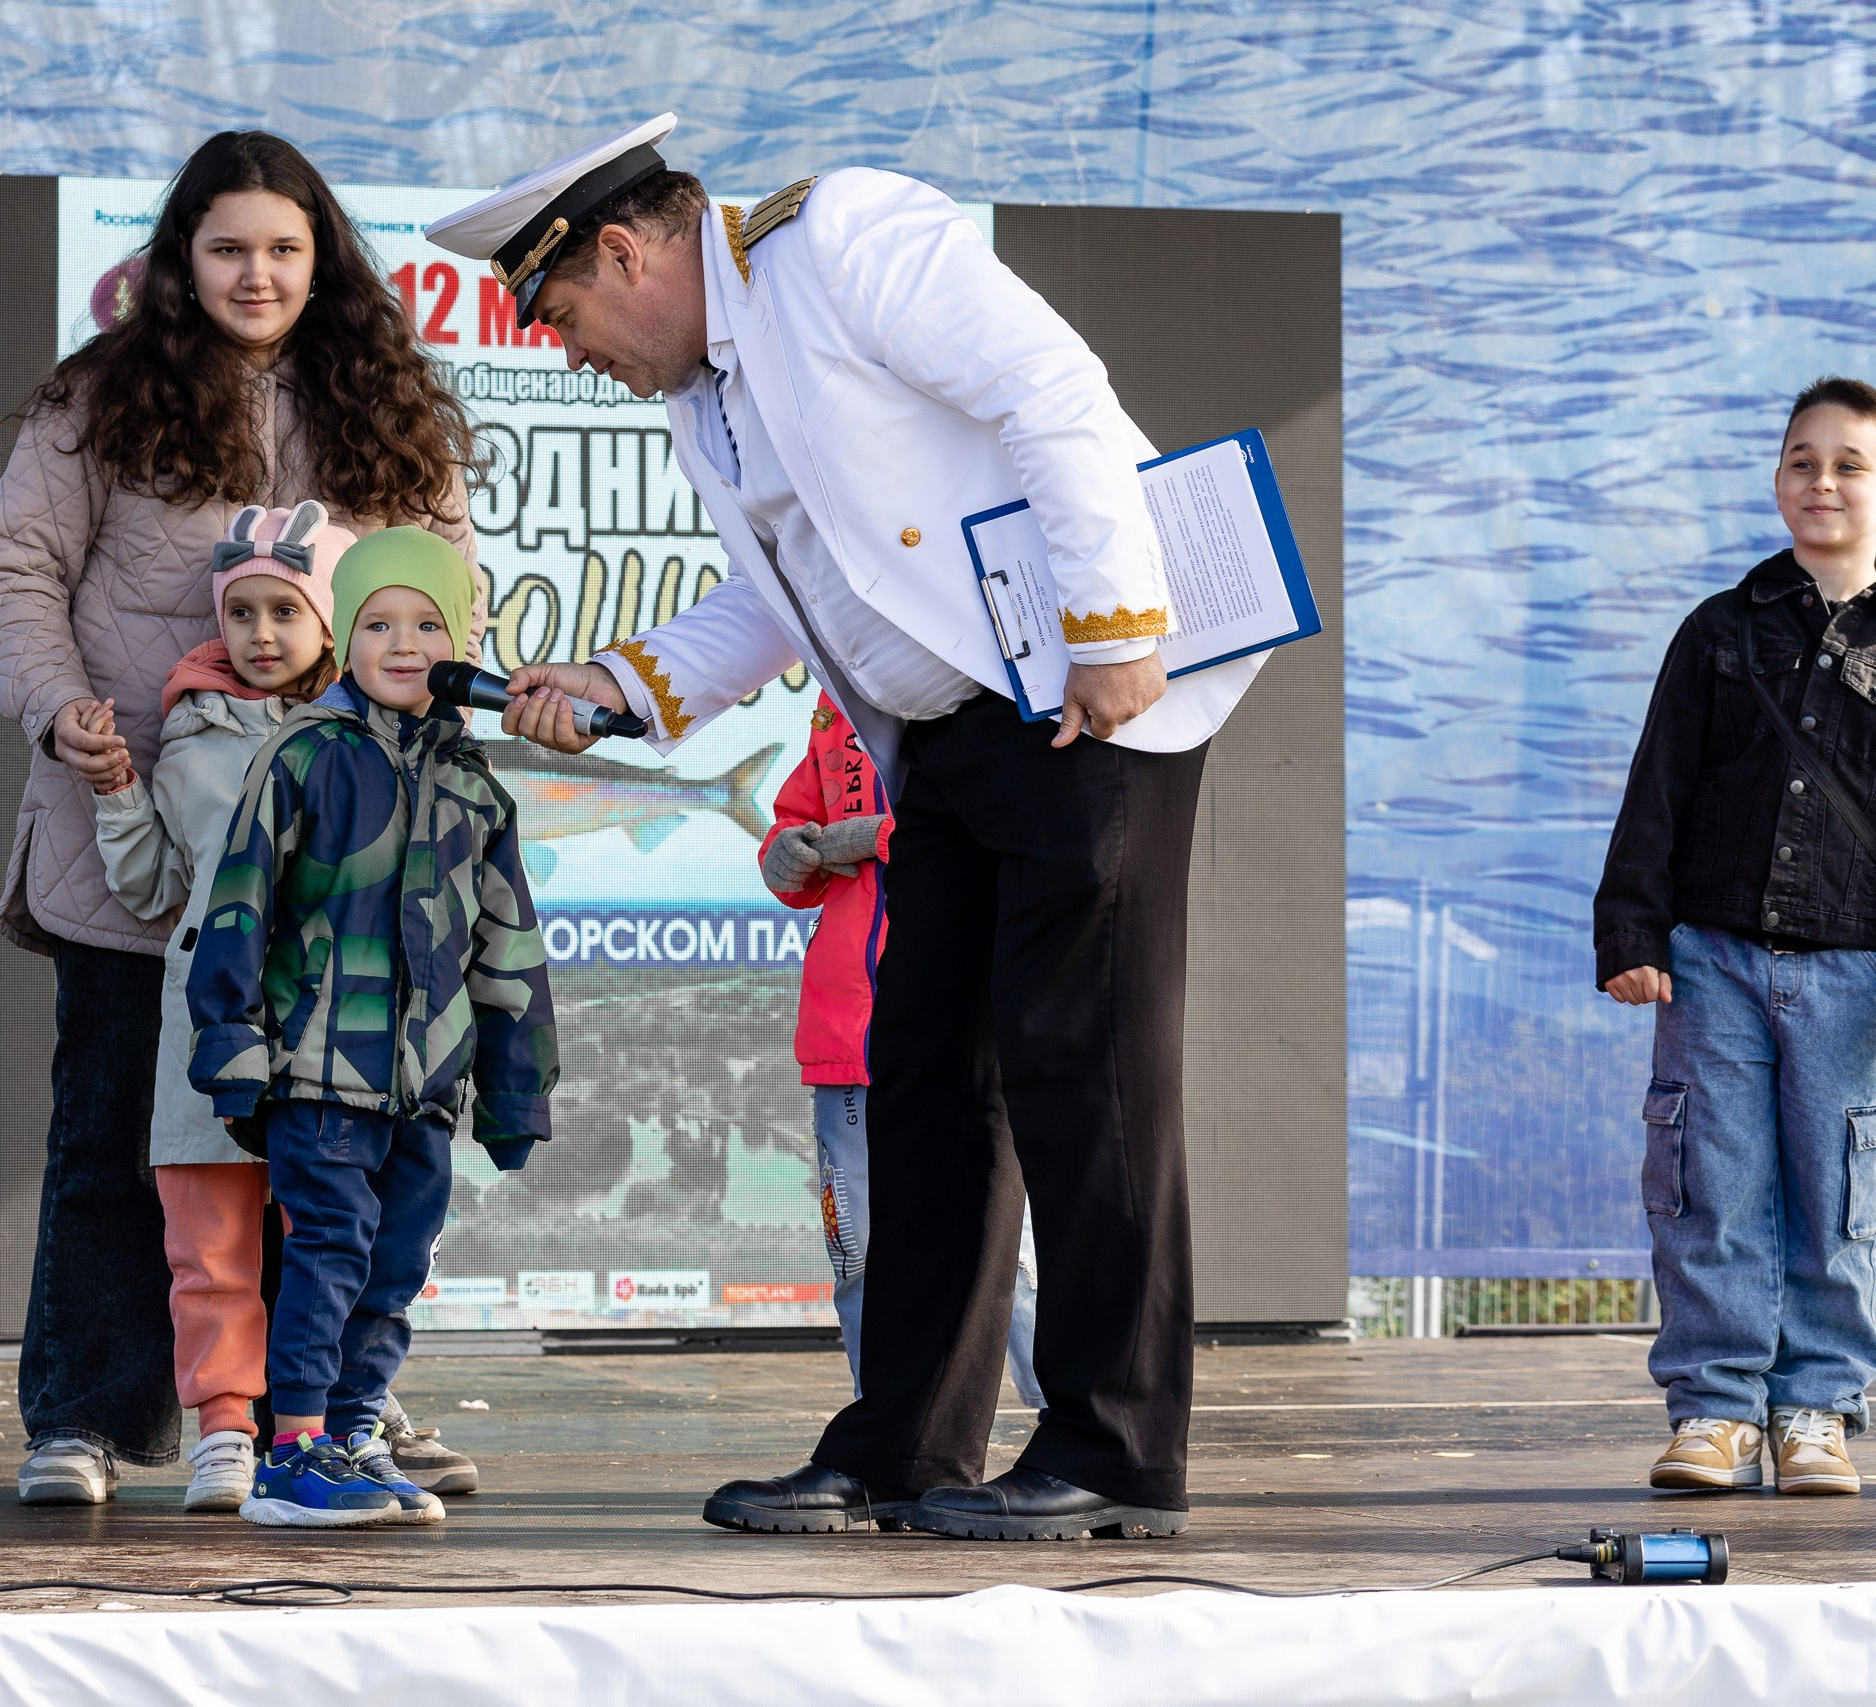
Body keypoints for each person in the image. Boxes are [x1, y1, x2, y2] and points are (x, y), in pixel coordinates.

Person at [432, 114, 1269, 1541]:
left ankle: (1119, 1449)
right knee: (926, 1079)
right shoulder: (710, 392)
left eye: (566, 317)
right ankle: (906, 1445)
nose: (575, 354)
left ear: (626, 252)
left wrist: (1117, 622)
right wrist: (624, 681)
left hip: (1084, 699)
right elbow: (787, 591)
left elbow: (1047, 387)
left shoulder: (842, 242)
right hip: (944, 735)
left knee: (1086, 1067)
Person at [0, 129, 486, 1505]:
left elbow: (438, 592)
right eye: (227, 248)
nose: (255, 274)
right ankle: (82, 1414)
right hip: (138, 839)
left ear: (321, 260)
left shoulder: (388, 404)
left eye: (282, 249)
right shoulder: (97, 401)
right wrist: (60, 704)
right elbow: (12, 568)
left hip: (337, 866)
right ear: (178, 261)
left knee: (333, 1147)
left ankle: (330, 1410)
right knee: (109, 1136)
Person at [1594, 376, 1876, 1497]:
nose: (1823, 481)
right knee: (1706, 1179)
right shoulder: (1717, 632)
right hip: (1708, 958)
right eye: (1801, 462)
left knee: (1836, 1191)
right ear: (1776, 484)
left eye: (1849, 464)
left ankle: (1814, 1408)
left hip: (1855, 969)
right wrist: (1633, 929)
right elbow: (1655, 789)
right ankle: (1715, 1408)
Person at [187, 528, 558, 1528]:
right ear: (342, 640)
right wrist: (232, 1048)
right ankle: (292, 1450)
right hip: (318, 1072)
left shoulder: (477, 788)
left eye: (427, 623)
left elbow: (509, 950)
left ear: (459, 642)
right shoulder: (303, 755)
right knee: (329, 1252)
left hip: (425, 1089)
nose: (402, 642)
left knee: (394, 1266)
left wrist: (515, 1092)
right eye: (377, 623)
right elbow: (239, 906)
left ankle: (353, 1437)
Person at [759, 692, 1045, 1413]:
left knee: (1003, 1251)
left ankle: (1062, 1420)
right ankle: (881, 1424)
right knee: (859, 1255)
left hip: (957, 1037)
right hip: (843, 1048)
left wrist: (881, 834)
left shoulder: (973, 690)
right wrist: (785, 853)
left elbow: (995, 822)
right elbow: (797, 820)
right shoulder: (831, 707)